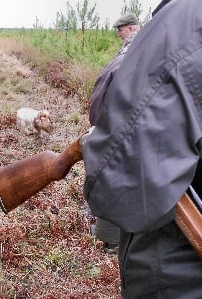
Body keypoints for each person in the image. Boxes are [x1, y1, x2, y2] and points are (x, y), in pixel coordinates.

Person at [81, 0, 202, 297]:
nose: (119, 33)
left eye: (121, 29)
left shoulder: (180, 25)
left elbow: (121, 191)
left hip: (184, 277)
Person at [88, 12, 140, 254]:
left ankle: (110, 241)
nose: (118, 34)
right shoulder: (152, 46)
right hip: (138, 129)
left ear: (130, 29)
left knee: (112, 178)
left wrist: (99, 127)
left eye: (120, 29)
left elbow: (105, 91)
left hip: (118, 127)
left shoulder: (130, 52)